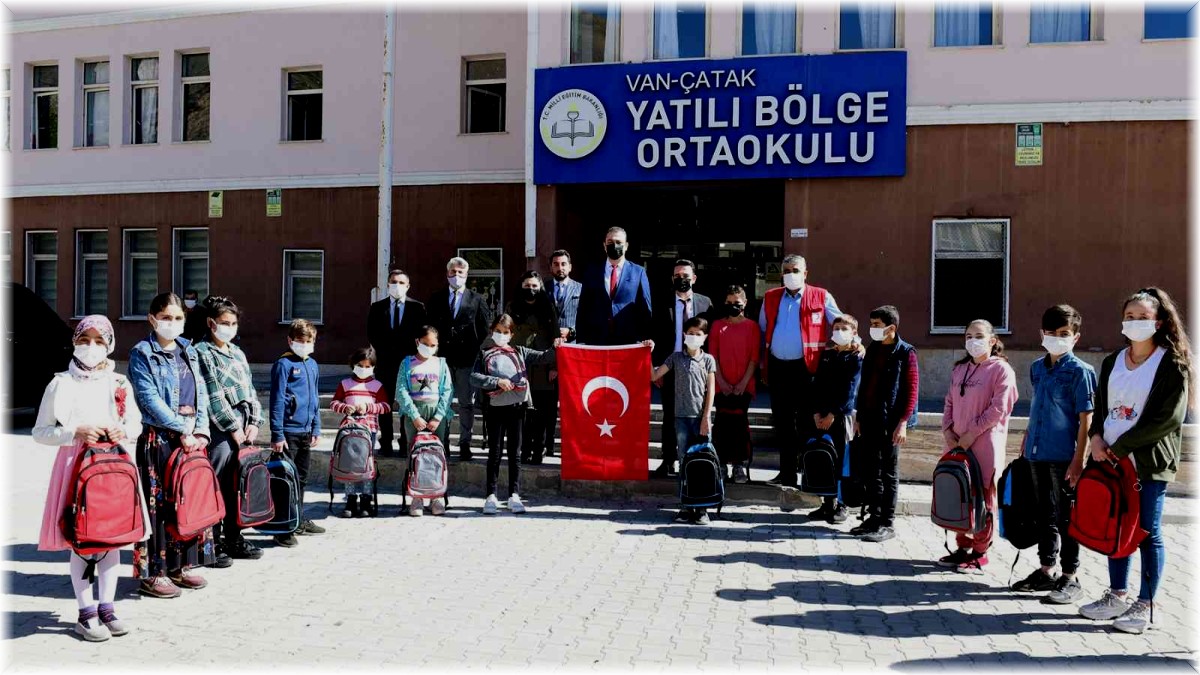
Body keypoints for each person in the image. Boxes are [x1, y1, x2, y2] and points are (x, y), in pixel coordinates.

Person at [1079, 287, 1190, 634]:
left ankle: (1146, 602)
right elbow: (1101, 407)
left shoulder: (1171, 362)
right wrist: (1096, 438)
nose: (1135, 322)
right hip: (1108, 456)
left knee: (1146, 532)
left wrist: (1122, 446)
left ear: (1158, 322)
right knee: (1117, 525)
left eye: (1143, 317)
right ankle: (1116, 595)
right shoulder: (1114, 360)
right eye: (1130, 316)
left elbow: (1169, 418)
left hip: (1146, 461)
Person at [34, 315, 146, 641]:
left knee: (111, 539)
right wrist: (74, 432)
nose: (92, 347)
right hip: (76, 468)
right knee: (83, 540)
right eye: (85, 340)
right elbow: (41, 431)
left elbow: (136, 425)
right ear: (74, 342)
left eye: (99, 341)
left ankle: (107, 607)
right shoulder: (60, 383)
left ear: (110, 344)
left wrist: (121, 429)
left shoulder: (119, 383)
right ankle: (86, 612)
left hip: (113, 468)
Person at [127, 292, 217, 598]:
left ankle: (182, 566)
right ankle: (154, 573)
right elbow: (148, 399)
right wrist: (182, 429)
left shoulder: (188, 350)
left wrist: (202, 430)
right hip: (160, 440)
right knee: (158, 508)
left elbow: (201, 391)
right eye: (166, 317)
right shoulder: (142, 353)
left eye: (178, 317)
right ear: (152, 319)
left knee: (188, 498)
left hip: (191, 438)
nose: (172, 323)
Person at [1010, 304, 1097, 603]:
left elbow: (1087, 419)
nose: (1057, 338)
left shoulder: (1081, 372)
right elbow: (1038, 409)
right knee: (1043, 514)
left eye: (1064, 334)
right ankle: (1046, 569)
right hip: (1037, 453)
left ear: (1075, 337)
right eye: (1051, 333)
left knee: (1065, 517)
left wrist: (1079, 459)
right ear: (1042, 334)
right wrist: (1026, 438)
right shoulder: (1036, 367)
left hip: (1065, 457)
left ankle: (1070, 576)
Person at [939, 319, 1019, 572]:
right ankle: (962, 546)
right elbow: (949, 401)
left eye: (979, 335)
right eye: (968, 335)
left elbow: (999, 408)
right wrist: (948, 431)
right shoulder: (960, 369)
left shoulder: (1001, 370)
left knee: (983, 497)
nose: (973, 340)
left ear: (993, 340)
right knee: (960, 494)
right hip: (957, 443)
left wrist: (972, 434)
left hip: (984, 444)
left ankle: (980, 550)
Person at [757, 254, 842, 487]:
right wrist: (762, 364)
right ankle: (786, 474)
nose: (790, 274)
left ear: (805, 273)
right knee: (782, 423)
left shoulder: (821, 296)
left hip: (807, 369)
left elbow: (840, 322)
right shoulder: (771, 297)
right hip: (778, 368)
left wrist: (855, 340)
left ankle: (808, 472)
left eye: (795, 270)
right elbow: (763, 331)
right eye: (785, 270)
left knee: (806, 422)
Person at [193, 296, 266, 564]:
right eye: (225, 323)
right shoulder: (202, 352)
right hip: (221, 428)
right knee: (218, 483)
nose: (230, 328)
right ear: (211, 323)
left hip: (245, 424)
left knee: (239, 484)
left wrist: (255, 422)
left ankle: (234, 537)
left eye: (234, 323)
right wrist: (234, 428)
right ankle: (211, 542)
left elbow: (250, 389)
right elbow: (212, 394)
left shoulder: (237, 352)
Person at [471, 314, 559, 515]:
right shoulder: (484, 353)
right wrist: (496, 382)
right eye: (498, 332)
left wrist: (557, 346)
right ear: (492, 331)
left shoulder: (520, 351)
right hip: (494, 407)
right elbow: (474, 377)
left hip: (517, 408)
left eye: (505, 332)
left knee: (515, 453)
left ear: (511, 334)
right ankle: (491, 495)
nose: (501, 335)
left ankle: (514, 494)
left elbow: (544, 356)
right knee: (494, 453)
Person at [851, 305, 919, 543]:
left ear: (892, 327)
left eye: (877, 325)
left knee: (888, 472)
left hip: (890, 421)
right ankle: (873, 516)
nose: (873, 329)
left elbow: (911, 390)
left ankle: (887, 523)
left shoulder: (906, 352)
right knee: (871, 471)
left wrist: (903, 423)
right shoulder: (873, 349)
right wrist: (858, 418)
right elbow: (864, 385)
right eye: (871, 324)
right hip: (869, 418)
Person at [648, 316, 717, 525]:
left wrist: (706, 416)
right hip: (681, 419)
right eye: (691, 334)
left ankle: (703, 508)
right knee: (684, 462)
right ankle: (686, 505)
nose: (694, 337)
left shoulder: (708, 360)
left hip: (700, 418)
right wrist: (647, 354)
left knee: (703, 463)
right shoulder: (676, 358)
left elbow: (711, 390)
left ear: (704, 337)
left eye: (698, 334)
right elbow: (653, 376)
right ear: (684, 335)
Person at [651, 259, 712, 479]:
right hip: (670, 367)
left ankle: (695, 458)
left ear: (694, 278)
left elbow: (711, 338)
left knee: (694, 415)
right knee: (669, 415)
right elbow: (655, 334)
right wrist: (657, 366)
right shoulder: (661, 303)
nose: (681, 279)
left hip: (696, 368)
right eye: (677, 276)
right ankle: (668, 460)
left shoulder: (706, 304)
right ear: (672, 279)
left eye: (685, 276)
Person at [428, 257, 493, 461]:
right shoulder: (436, 298)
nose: (457, 276)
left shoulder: (477, 299)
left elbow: (484, 329)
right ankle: (443, 441)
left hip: (467, 359)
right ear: (447, 274)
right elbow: (429, 327)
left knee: (466, 403)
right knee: (442, 403)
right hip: (442, 360)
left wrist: (474, 349)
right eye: (453, 272)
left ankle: (465, 442)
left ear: (466, 275)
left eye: (461, 273)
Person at [268, 318, 326, 547]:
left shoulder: (312, 364)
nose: (304, 345)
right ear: (290, 340)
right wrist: (277, 433)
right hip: (289, 431)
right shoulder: (283, 365)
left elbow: (315, 398)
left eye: (308, 341)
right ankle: (283, 528)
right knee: (286, 480)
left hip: (306, 430)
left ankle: (298, 519)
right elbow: (277, 400)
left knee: (301, 479)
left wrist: (317, 426)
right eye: (300, 341)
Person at [809, 314, 865, 524]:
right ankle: (827, 502)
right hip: (822, 416)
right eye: (837, 327)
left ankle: (842, 505)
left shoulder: (856, 357)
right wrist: (817, 412)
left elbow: (850, 389)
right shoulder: (828, 355)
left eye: (845, 328)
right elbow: (817, 385)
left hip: (842, 416)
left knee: (843, 461)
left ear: (854, 333)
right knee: (826, 457)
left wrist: (833, 413)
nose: (839, 331)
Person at [367, 269, 427, 457]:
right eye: (393, 282)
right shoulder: (377, 308)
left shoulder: (418, 308)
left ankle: (405, 441)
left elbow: (421, 334)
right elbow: (372, 334)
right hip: (385, 363)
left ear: (408, 286)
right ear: (388, 284)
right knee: (384, 403)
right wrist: (386, 351)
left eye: (401, 283)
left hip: (409, 364)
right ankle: (385, 441)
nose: (397, 286)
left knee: (406, 404)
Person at [395, 326, 455, 517]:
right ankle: (416, 496)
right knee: (414, 455)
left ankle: (436, 496)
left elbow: (447, 390)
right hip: (415, 415)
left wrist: (438, 416)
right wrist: (414, 416)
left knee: (437, 455)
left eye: (433, 345)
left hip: (437, 415)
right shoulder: (407, 363)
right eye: (425, 344)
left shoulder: (441, 363)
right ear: (417, 342)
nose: (429, 348)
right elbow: (401, 390)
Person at [329, 346, 391, 518]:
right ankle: (350, 499)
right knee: (349, 465)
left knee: (366, 465)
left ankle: (366, 499)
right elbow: (333, 403)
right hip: (349, 430)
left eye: (367, 366)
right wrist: (344, 407)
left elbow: (386, 406)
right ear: (353, 364)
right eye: (360, 365)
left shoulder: (377, 386)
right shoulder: (345, 384)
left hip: (368, 430)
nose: (364, 369)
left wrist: (369, 407)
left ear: (373, 367)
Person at [707, 284, 759, 484]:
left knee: (739, 425)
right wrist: (722, 382)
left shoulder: (752, 327)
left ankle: (739, 465)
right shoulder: (718, 326)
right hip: (721, 385)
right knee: (721, 424)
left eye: (736, 303)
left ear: (744, 303)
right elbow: (713, 356)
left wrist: (742, 384)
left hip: (744, 386)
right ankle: (720, 464)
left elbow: (754, 358)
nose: (732, 306)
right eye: (729, 303)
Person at [507, 271, 560, 465]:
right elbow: (506, 335)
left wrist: (555, 366)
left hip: (544, 364)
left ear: (540, 288)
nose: (531, 290)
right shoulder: (512, 307)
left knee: (541, 410)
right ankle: (524, 449)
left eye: (535, 286)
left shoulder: (548, 307)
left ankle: (539, 449)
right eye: (527, 286)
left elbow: (556, 338)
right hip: (518, 365)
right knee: (521, 410)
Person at [575, 226, 654, 347]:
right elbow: (583, 308)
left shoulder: (638, 272)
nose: (614, 245)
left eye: (618, 242)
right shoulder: (591, 272)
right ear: (604, 246)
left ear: (626, 246)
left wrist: (645, 339)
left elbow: (645, 309)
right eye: (610, 242)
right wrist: (581, 340)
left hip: (628, 342)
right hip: (596, 341)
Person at [546, 249, 582, 458]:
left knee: (572, 406)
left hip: (573, 356)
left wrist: (572, 331)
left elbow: (586, 320)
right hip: (548, 354)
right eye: (556, 264)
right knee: (548, 406)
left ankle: (571, 446)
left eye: (563, 264)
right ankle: (547, 444)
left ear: (570, 266)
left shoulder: (581, 289)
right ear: (551, 267)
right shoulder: (543, 289)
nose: (560, 268)